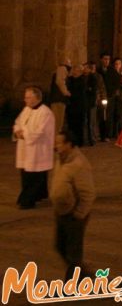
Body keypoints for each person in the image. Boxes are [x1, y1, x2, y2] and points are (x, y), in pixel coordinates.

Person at [50, 131, 96, 280]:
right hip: (61, 211)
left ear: (69, 145)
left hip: (74, 214)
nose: (55, 146)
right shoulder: (60, 159)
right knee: (59, 246)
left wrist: (80, 213)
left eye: (59, 143)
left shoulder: (79, 164)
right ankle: (83, 274)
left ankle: (71, 284)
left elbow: (88, 193)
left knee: (73, 252)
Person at [13, 87, 55, 209]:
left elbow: (40, 131)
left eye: (28, 97)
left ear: (36, 98)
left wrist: (23, 133)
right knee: (27, 174)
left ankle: (28, 200)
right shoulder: (26, 109)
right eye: (25, 97)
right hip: (25, 148)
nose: (25, 100)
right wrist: (17, 131)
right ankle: (38, 195)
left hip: (38, 149)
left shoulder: (45, 113)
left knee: (35, 175)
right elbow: (18, 122)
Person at [49, 58, 72, 134]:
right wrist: (66, 92)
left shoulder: (61, 70)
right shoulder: (62, 69)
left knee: (58, 121)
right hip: (59, 99)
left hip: (58, 99)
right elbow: (60, 81)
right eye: (69, 62)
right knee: (58, 121)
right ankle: (55, 139)